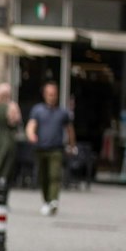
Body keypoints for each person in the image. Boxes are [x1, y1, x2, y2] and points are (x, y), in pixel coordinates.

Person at [26, 82, 74, 215]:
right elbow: (31, 125)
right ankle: (47, 201)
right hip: (41, 148)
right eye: (49, 94)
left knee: (54, 175)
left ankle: (53, 200)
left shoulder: (63, 112)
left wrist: (71, 145)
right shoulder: (38, 110)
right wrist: (31, 135)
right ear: (44, 95)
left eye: (54, 94)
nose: (52, 97)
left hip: (56, 149)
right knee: (43, 177)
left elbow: (70, 130)